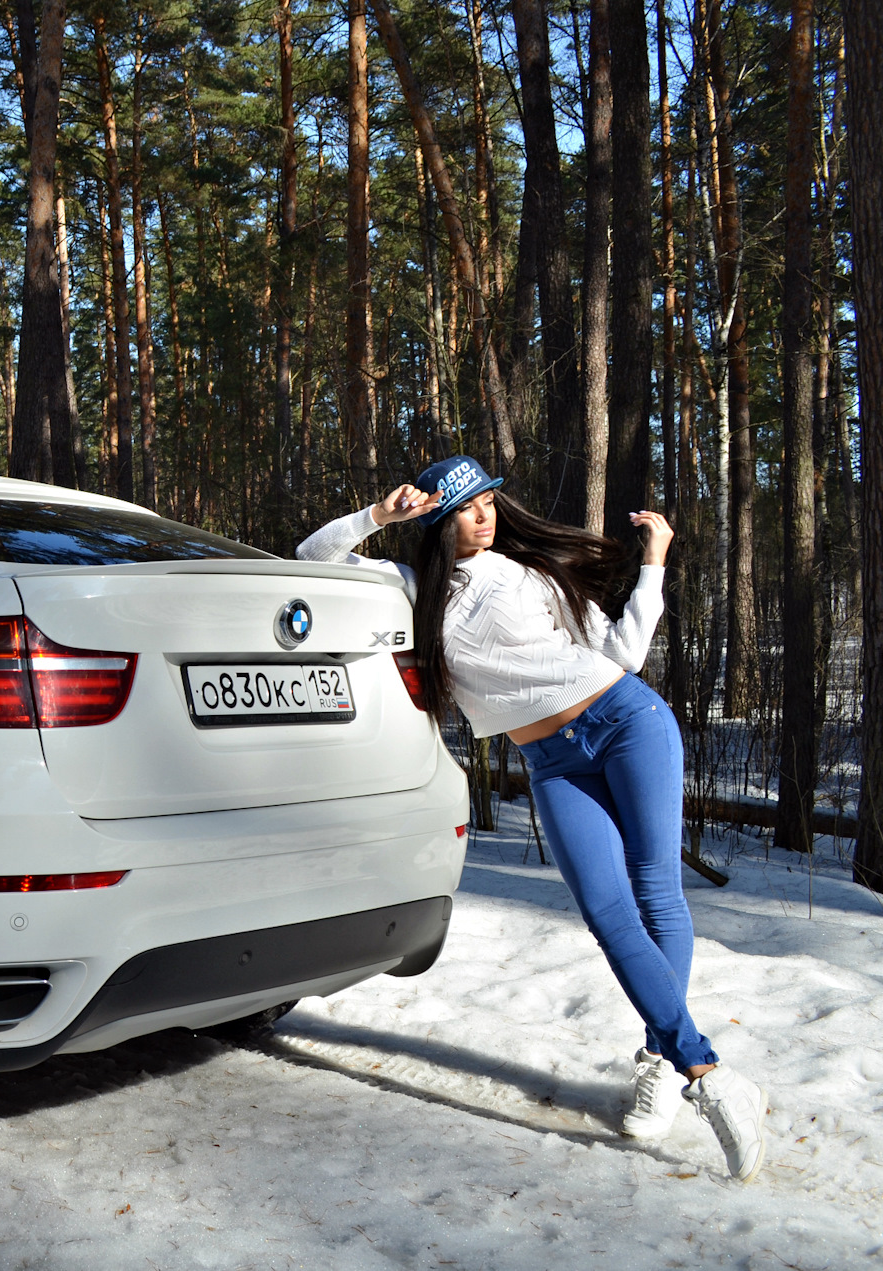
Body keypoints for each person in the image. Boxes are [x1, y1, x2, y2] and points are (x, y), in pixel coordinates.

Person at [296, 454, 769, 1182]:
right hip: (551, 760)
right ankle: (706, 1070)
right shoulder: (414, 590)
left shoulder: (531, 572)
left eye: (486, 500)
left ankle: (670, 1061)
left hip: (625, 719)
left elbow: (624, 652)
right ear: (435, 519)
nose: (481, 515)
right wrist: (377, 518)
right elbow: (312, 558)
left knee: (655, 891)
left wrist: (655, 564)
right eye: (462, 507)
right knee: (608, 914)